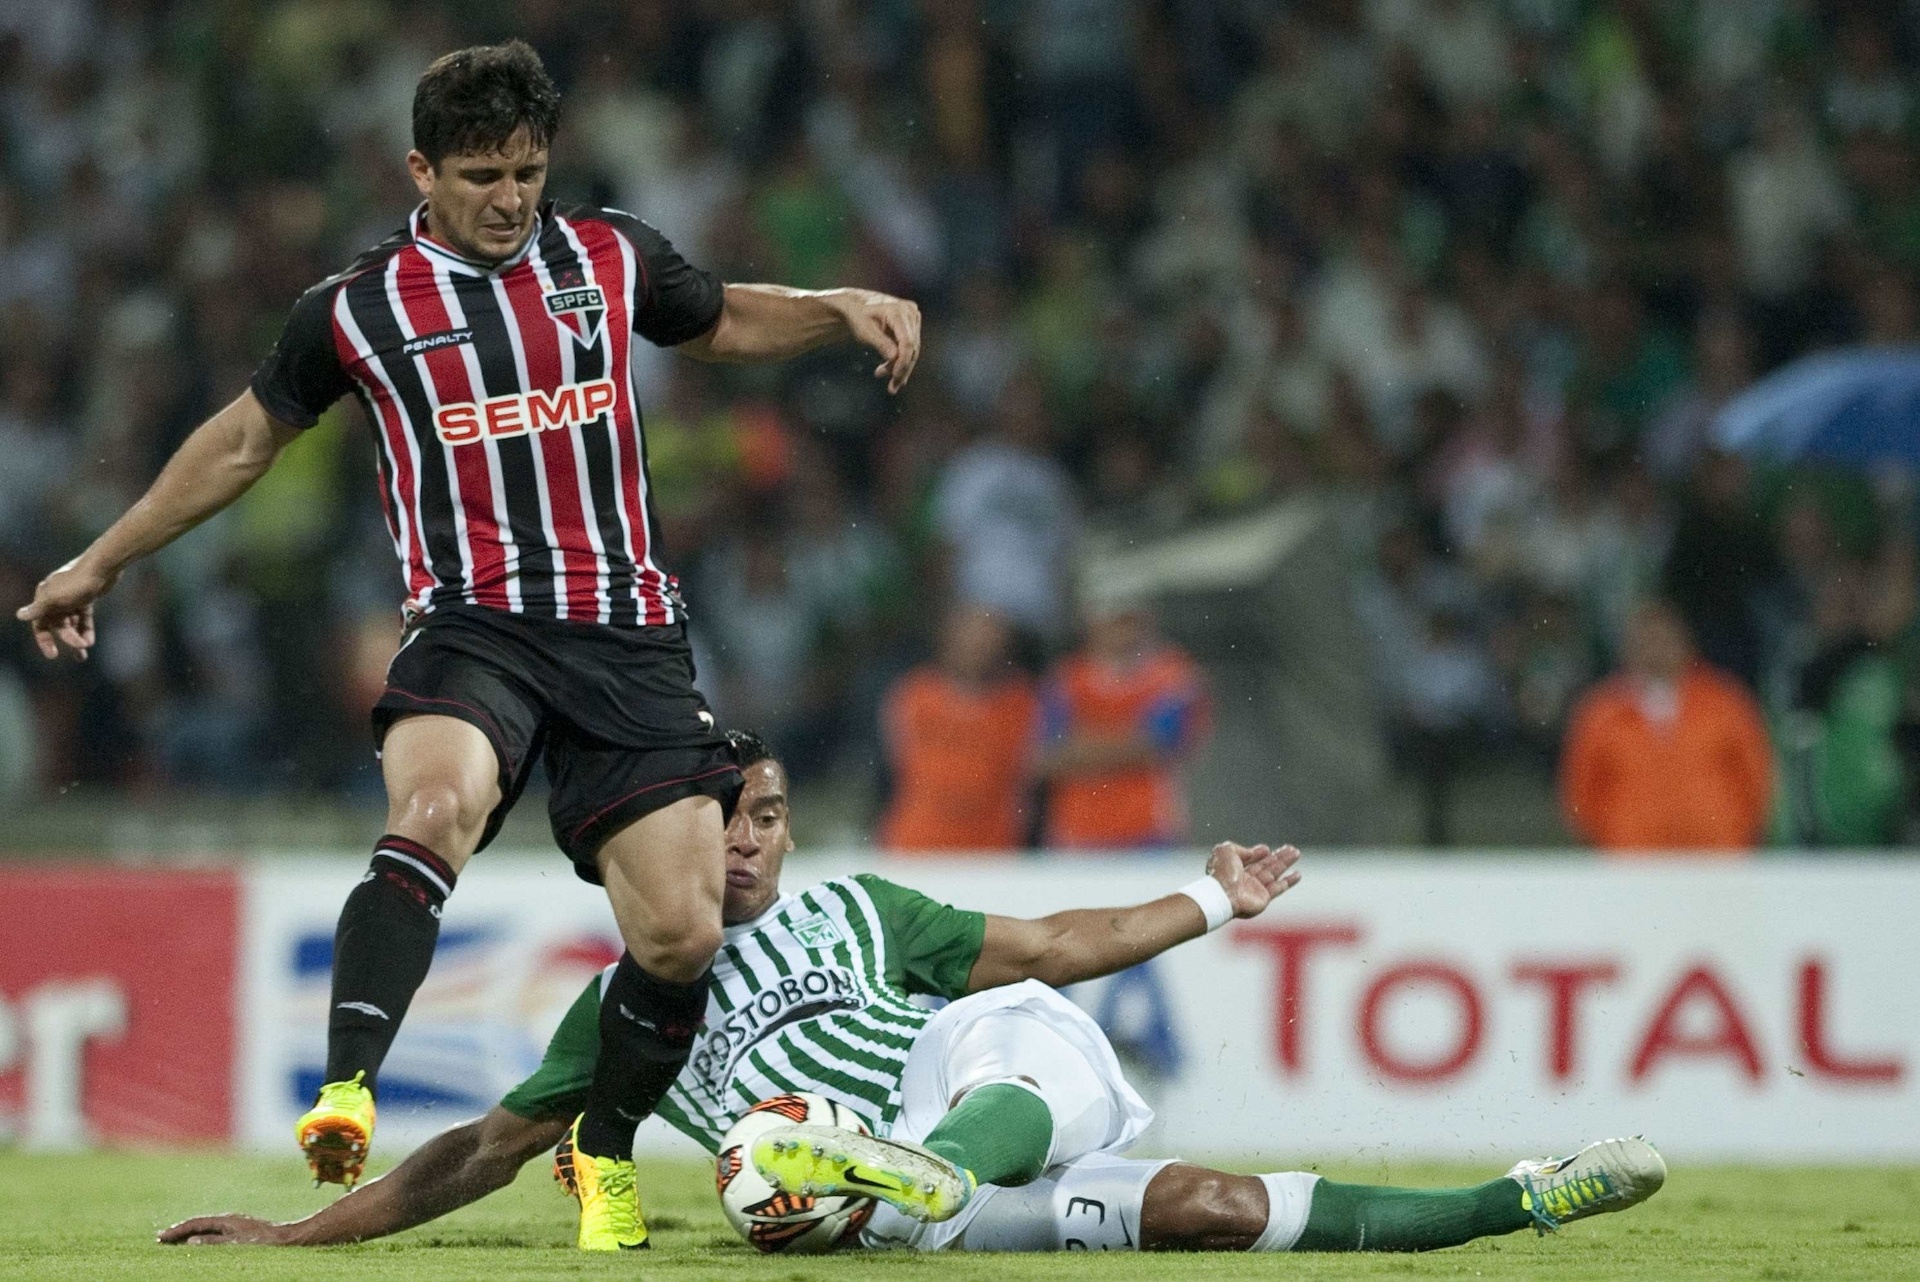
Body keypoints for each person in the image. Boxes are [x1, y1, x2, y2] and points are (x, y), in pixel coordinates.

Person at [14, 40, 922, 1248]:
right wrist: (103, 558)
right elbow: (240, 442)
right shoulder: (356, 308)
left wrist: (831, 309)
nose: (510, 199)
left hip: (627, 632)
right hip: (474, 625)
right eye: (484, 174)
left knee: (682, 930)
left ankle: (600, 1148)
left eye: (529, 172)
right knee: (434, 805)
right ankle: (345, 1086)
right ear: (421, 170)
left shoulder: (606, 254)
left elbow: (717, 324)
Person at [160, 734, 1665, 1256]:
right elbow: (476, 1152)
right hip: (891, 1207)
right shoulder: (620, 1006)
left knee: (990, 1044)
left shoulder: (864, 911)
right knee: (1203, 1209)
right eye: (719, 814)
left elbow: (1060, 945)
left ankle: (1527, 1199)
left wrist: (1213, 897)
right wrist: (298, 1231)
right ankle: (1507, 1198)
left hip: (968, 1094)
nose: (743, 837)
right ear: (662, 830)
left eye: (764, 813)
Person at [1560, 599, 1773, 852]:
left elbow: (1756, 782)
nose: (1655, 647)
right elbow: (1581, 795)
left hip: (1716, 862)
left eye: (1663, 637)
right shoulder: (1601, 712)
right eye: (1646, 638)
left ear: (1685, 640)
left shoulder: (1726, 702)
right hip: (1632, 865)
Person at [1037, 595, 1209, 849]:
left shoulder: (1174, 675)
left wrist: (1083, 747)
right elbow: (1044, 757)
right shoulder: (1065, 679)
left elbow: (1159, 744)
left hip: (1149, 831)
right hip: (1077, 832)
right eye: (1112, 620)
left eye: (1127, 621)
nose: (1120, 631)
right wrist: (1127, 742)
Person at [878, 607, 1040, 852]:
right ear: (948, 639)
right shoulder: (914, 694)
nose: (978, 648)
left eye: (988, 640)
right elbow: (898, 760)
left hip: (993, 847)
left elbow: (1028, 768)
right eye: (970, 637)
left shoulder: (1021, 701)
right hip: (917, 842)